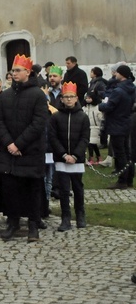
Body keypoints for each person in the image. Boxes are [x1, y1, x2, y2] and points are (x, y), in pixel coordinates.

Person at [0, 54, 49, 242]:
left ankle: (33, 226)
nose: (13, 73)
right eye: (12, 70)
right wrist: (9, 143)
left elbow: (39, 123)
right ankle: (13, 223)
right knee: (11, 190)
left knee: (33, 190)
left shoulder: (38, 95)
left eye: (17, 70)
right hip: (9, 152)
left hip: (30, 152)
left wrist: (19, 144)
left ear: (28, 72)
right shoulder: (6, 95)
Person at [49, 82, 90, 231]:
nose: (68, 100)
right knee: (64, 189)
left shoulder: (83, 117)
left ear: (76, 98)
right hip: (62, 158)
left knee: (78, 188)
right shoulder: (56, 117)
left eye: (71, 97)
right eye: (66, 97)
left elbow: (84, 138)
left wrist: (75, 155)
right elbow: (53, 138)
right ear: (61, 99)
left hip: (77, 159)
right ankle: (65, 217)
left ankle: (80, 214)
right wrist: (64, 154)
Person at [99, 65, 136, 189]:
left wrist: (101, 105)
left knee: (120, 153)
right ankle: (129, 178)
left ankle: (122, 180)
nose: (115, 74)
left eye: (117, 73)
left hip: (116, 123)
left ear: (122, 74)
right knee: (127, 152)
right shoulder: (132, 88)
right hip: (126, 121)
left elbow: (109, 106)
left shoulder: (118, 90)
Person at [83, 92, 104, 164]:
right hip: (87, 127)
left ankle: (91, 158)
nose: (88, 99)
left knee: (91, 143)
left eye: (89, 98)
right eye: (87, 98)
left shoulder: (97, 107)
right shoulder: (85, 107)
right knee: (92, 144)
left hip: (95, 127)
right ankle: (98, 157)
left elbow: (101, 117)